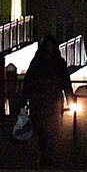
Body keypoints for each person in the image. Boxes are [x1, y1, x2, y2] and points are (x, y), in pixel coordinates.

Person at [21, 34, 73, 165]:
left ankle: (47, 154)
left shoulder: (44, 62)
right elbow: (29, 81)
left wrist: (69, 96)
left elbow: (65, 81)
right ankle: (45, 154)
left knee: (51, 129)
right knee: (43, 129)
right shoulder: (46, 62)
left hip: (49, 100)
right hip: (42, 100)